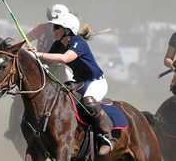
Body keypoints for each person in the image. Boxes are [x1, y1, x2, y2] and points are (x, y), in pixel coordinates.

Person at [33, 12, 115, 156]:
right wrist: (31, 54)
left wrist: (39, 54)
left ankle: (107, 137)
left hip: (96, 82)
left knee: (88, 101)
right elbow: (46, 61)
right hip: (79, 82)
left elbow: (65, 58)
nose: (53, 30)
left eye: (57, 27)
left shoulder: (78, 42)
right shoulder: (58, 44)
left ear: (67, 30)